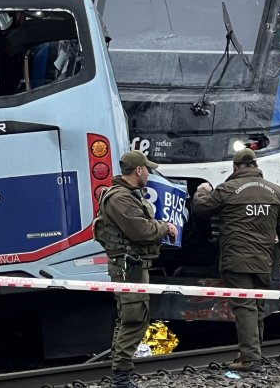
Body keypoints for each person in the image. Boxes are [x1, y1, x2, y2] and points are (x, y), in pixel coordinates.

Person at [192, 148, 280, 372]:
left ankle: (250, 359)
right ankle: (253, 352)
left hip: (236, 260)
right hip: (263, 260)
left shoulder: (227, 189)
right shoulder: (277, 192)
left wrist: (201, 191)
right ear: (256, 166)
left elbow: (202, 208)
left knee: (244, 307)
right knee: (257, 306)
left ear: (235, 167)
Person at [93, 151, 178, 388]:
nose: (149, 174)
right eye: (147, 170)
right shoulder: (120, 198)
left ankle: (121, 372)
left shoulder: (126, 195)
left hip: (132, 265)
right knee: (134, 319)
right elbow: (141, 231)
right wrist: (165, 227)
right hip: (128, 267)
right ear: (138, 170)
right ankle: (121, 377)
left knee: (130, 318)